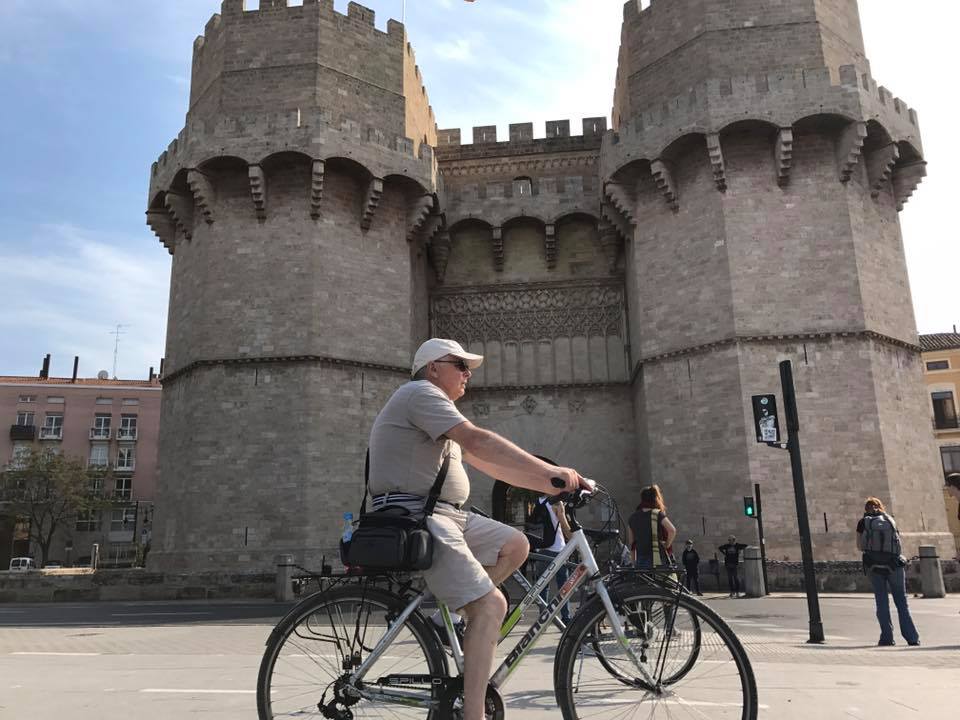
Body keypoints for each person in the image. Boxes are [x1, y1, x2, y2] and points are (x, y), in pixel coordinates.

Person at [368, 338, 591, 720]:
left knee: (515, 545)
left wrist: (554, 483)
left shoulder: (437, 414)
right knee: (493, 605)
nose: (468, 373)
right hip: (420, 518)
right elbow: (478, 439)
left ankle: (454, 618)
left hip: (448, 515)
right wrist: (552, 471)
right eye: (460, 365)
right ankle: (474, 713)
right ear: (434, 367)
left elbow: (492, 465)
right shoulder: (420, 394)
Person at [856, 496, 920, 646]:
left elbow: (859, 546)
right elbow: (898, 543)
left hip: (874, 566)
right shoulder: (890, 520)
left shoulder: (862, 523)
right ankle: (912, 638)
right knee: (902, 603)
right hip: (894, 565)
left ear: (866, 509)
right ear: (881, 507)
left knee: (882, 602)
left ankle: (887, 638)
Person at [529, 492, 572, 623]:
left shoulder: (538, 502)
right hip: (558, 549)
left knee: (543, 586)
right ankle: (566, 617)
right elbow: (564, 524)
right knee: (563, 587)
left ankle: (543, 618)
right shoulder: (556, 503)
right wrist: (574, 539)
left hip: (541, 549)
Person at [626, 485, 676, 570]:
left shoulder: (633, 517)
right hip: (657, 559)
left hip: (641, 558)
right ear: (655, 498)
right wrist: (667, 544)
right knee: (660, 583)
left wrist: (633, 562)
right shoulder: (657, 514)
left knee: (644, 583)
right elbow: (672, 530)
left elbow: (632, 543)